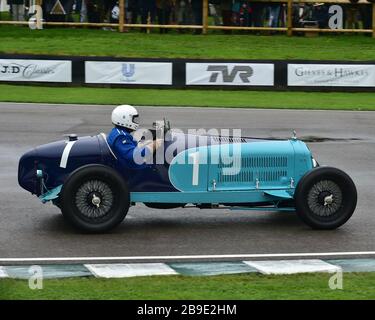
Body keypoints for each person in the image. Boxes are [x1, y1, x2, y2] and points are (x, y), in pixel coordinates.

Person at [107, 105, 163, 169]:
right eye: (133, 119)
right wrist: (154, 145)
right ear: (124, 119)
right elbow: (133, 156)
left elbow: (132, 148)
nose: (135, 122)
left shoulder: (118, 132)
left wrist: (146, 143)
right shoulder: (121, 137)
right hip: (133, 169)